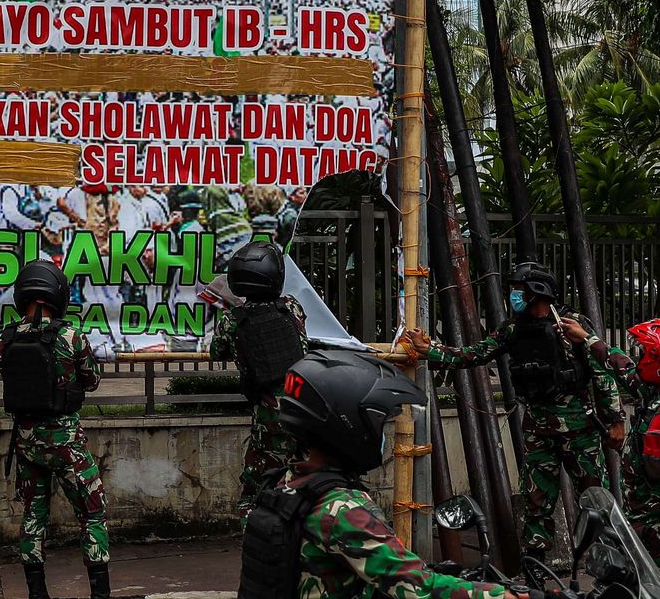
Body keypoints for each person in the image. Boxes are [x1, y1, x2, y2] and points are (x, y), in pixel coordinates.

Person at [239, 350, 527, 599]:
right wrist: (510, 594)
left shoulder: (283, 484)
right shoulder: (341, 509)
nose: (383, 435)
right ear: (349, 425)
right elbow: (417, 589)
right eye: (379, 424)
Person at [406, 262, 624, 560]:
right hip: (538, 430)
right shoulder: (513, 328)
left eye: (519, 291)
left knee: (595, 499)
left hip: (581, 430)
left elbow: (602, 373)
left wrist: (616, 420)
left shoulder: (571, 325)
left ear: (537, 291)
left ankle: (610, 562)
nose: (514, 297)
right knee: (536, 501)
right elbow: (474, 355)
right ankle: (535, 568)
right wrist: (427, 349)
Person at [0, 260, 109, 599]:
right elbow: (92, 381)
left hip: (27, 444)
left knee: (34, 516)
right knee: (93, 513)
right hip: (67, 446)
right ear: (57, 294)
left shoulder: (7, 338)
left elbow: (8, 376)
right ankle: (100, 594)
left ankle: (36, 593)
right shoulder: (71, 336)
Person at [208, 241, 308, 521]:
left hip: (269, 420)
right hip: (306, 409)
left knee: (254, 489)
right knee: (306, 481)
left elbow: (218, 352)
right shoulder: (291, 307)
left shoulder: (232, 320)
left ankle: (258, 543)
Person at [558, 316, 660, 565]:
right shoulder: (652, 393)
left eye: (644, 353)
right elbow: (621, 366)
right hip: (642, 524)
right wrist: (586, 338)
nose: (638, 360)